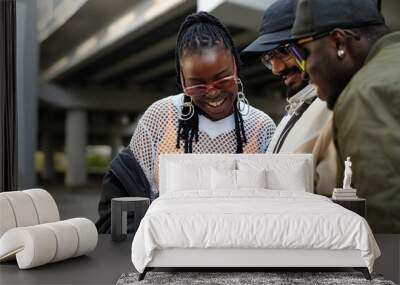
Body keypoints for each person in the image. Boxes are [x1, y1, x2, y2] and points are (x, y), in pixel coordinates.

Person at [96, 11, 276, 233]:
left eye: (222, 78)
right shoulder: (160, 117)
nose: (212, 92)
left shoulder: (262, 127)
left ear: (235, 67)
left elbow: (274, 208)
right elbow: (119, 198)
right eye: (197, 83)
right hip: (168, 256)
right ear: (182, 78)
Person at [287, 0, 399, 233]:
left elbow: (383, 225)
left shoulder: (365, 93)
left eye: (304, 54)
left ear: (338, 42)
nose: (304, 69)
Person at [241, 0, 336, 195]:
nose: (276, 69)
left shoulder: (334, 107)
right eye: (269, 58)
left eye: (283, 52)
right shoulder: (294, 109)